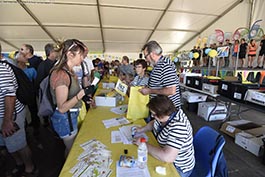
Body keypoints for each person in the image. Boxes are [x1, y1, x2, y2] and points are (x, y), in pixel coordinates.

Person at [49, 39, 93, 156]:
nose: (83, 58)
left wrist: (83, 97)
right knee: (72, 152)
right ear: (69, 54)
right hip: (65, 119)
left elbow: (71, 94)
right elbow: (62, 108)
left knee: (71, 149)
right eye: (81, 55)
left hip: (70, 116)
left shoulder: (69, 71)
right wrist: (80, 95)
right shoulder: (61, 74)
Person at [0, 44, 38, 177]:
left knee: (19, 144)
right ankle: (20, 164)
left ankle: (30, 168)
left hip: (10, 116)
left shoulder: (2, 68)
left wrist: (7, 120)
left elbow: (9, 95)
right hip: (6, 116)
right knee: (10, 144)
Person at [133, 95, 195, 177]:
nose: (152, 116)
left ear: (162, 114)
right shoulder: (166, 114)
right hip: (164, 150)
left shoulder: (179, 126)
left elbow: (168, 157)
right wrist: (142, 129)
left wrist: (142, 144)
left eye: (154, 114)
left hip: (178, 166)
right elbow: (155, 123)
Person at [139, 41, 181, 109]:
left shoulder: (165, 65)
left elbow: (171, 90)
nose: (146, 60)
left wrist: (150, 91)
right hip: (161, 109)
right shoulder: (158, 65)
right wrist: (149, 87)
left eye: (145, 56)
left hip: (167, 111)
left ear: (152, 54)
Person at [36, 43, 58, 126]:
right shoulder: (43, 65)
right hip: (48, 94)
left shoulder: (57, 63)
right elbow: (39, 83)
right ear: (52, 52)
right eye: (56, 51)